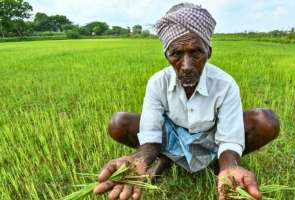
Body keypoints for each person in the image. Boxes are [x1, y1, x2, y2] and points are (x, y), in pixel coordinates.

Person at [93, 3, 279, 200]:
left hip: (210, 137)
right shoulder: (158, 83)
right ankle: (166, 158)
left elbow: (229, 137)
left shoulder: (225, 84)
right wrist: (138, 160)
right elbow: (151, 134)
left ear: (209, 52)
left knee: (265, 121)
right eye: (177, 54)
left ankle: (221, 166)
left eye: (196, 52)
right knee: (118, 123)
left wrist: (229, 166)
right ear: (167, 56)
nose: (187, 66)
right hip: (173, 135)